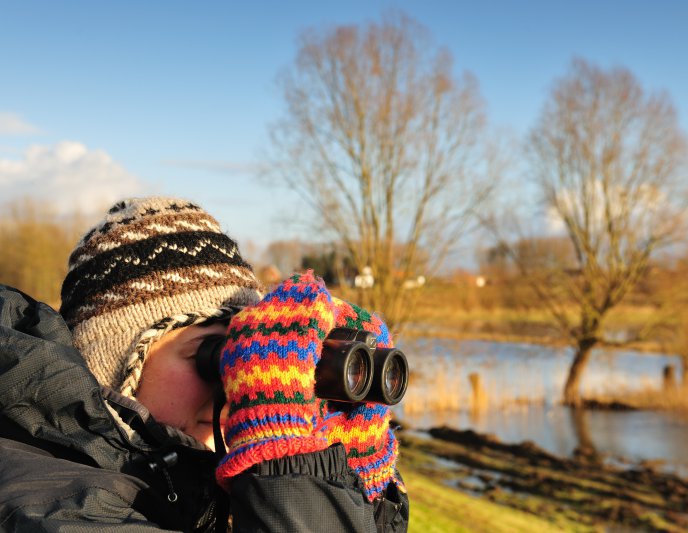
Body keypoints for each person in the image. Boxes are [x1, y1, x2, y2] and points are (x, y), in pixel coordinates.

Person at [0, 196, 409, 532]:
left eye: (249, 351)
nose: (239, 380)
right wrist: (289, 463)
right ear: (114, 371)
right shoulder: (56, 505)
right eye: (215, 353)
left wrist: (355, 478)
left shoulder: (187, 482)